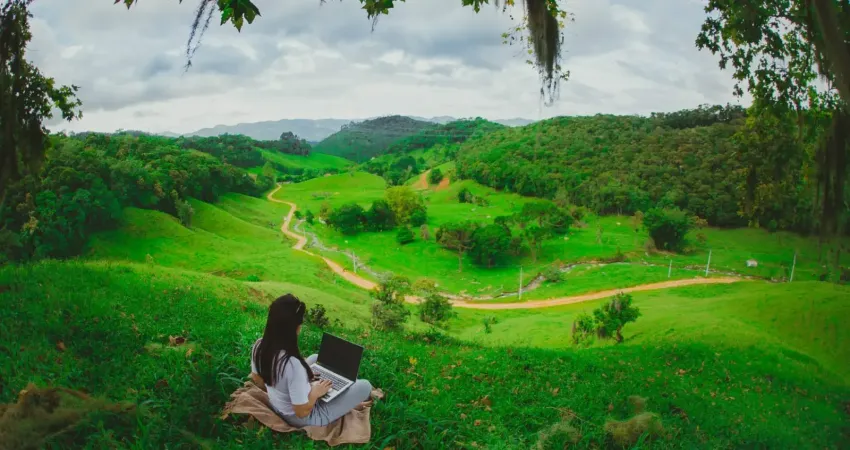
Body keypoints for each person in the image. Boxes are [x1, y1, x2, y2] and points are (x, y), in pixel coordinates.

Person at [250, 294, 373, 427]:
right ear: (295, 328)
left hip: (277, 405)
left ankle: (336, 388)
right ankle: (343, 391)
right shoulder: (293, 365)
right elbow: (301, 412)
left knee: (315, 358)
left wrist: (281, 389)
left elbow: (257, 379)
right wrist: (315, 392)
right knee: (365, 386)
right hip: (303, 417)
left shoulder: (260, 345)